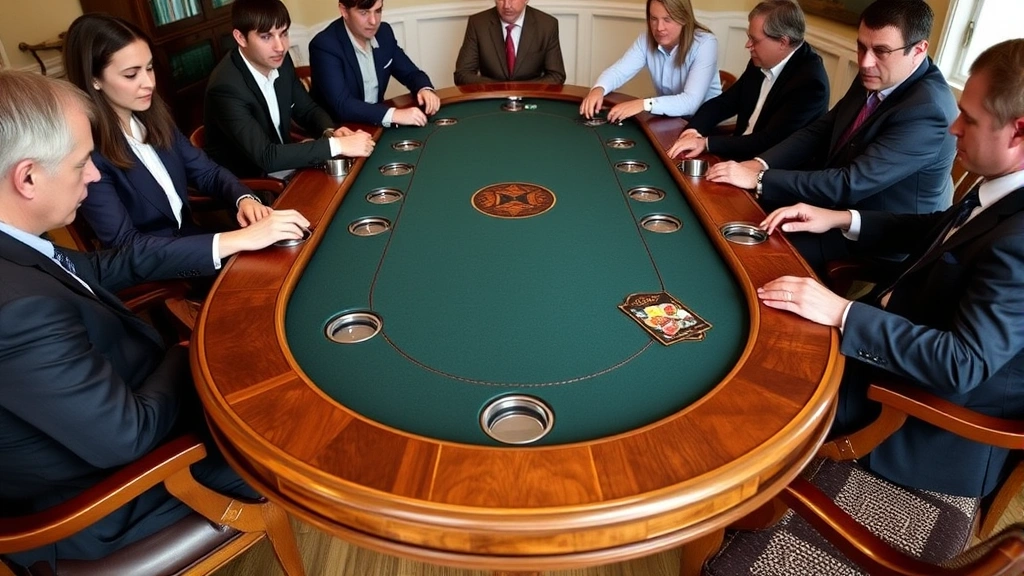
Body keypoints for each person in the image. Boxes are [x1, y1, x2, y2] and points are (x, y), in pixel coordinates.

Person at [0, 70, 308, 569]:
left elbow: (103, 266)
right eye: (82, 164)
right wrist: (189, 350)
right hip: (108, 503)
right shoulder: (15, 309)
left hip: (114, 422)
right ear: (28, 177)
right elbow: (129, 436)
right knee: (289, 432)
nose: (96, 175)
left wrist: (228, 242)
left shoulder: (15, 248)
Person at [755, 38, 1024, 499]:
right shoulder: (1002, 189)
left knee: (759, 394)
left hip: (913, 413)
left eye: (971, 120)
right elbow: (937, 230)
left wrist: (842, 313)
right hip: (886, 342)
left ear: (1019, 133)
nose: (954, 127)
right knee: (764, 331)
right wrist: (840, 218)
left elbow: (963, 364)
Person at [707, 0, 958, 272]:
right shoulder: (875, 73)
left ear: (919, 50)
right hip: (834, 200)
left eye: (881, 51)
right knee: (730, 212)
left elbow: (852, 182)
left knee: (760, 251)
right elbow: (821, 129)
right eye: (862, 46)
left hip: (879, 231)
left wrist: (758, 179)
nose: (865, 61)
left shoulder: (927, 111)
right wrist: (760, 165)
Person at [62, 14, 296, 264]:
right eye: (131, 75)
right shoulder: (88, 156)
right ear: (94, 79)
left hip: (194, 241)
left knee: (289, 251)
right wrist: (236, 240)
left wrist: (244, 199)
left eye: (150, 68)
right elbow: (128, 246)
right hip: (163, 272)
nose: (149, 83)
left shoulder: (152, 118)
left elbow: (209, 174)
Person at [204, 0, 375, 179]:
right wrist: (339, 145)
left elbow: (307, 110)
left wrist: (330, 132)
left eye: (283, 33)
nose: (280, 47)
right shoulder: (225, 88)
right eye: (266, 37)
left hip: (285, 166)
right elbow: (266, 157)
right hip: (250, 185)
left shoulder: (281, 61)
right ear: (240, 38)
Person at [667, 0, 828, 161]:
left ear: (782, 42)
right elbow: (725, 102)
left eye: (755, 40)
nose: (748, 45)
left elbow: (769, 141)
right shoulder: (761, 59)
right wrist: (694, 130)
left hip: (768, 171)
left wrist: (706, 143)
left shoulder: (810, 84)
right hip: (738, 156)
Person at [579, 0, 721, 123]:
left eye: (667, 19)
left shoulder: (706, 43)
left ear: (683, 18)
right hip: (671, 119)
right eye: (654, 18)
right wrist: (599, 89)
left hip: (705, 124)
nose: (659, 28)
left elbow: (691, 102)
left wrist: (644, 104)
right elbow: (619, 71)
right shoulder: (645, 40)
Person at [309, 0, 439, 127]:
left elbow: (411, 73)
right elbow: (342, 105)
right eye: (364, 12)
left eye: (378, 11)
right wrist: (393, 115)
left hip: (376, 123)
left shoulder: (384, 33)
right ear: (344, 10)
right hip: (341, 130)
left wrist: (424, 88)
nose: (373, 21)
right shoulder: (324, 45)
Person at [453, 0, 566, 85]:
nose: (506, 5)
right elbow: (462, 74)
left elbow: (556, 76)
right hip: (490, 100)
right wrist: (500, 89)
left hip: (532, 99)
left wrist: (520, 91)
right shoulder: (478, 23)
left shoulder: (547, 25)